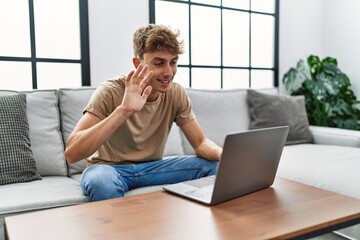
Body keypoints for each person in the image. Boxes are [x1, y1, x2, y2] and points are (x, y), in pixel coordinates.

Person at [65, 24, 222, 201]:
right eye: (159, 63)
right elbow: (72, 153)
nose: (169, 72)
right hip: (109, 169)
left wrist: (223, 154)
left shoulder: (176, 93)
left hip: (153, 168)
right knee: (100, 182)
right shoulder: (110, 91)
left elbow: (200, 143)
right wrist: (124, 110)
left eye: (173, 62)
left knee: (216, 166)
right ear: (138, 63)